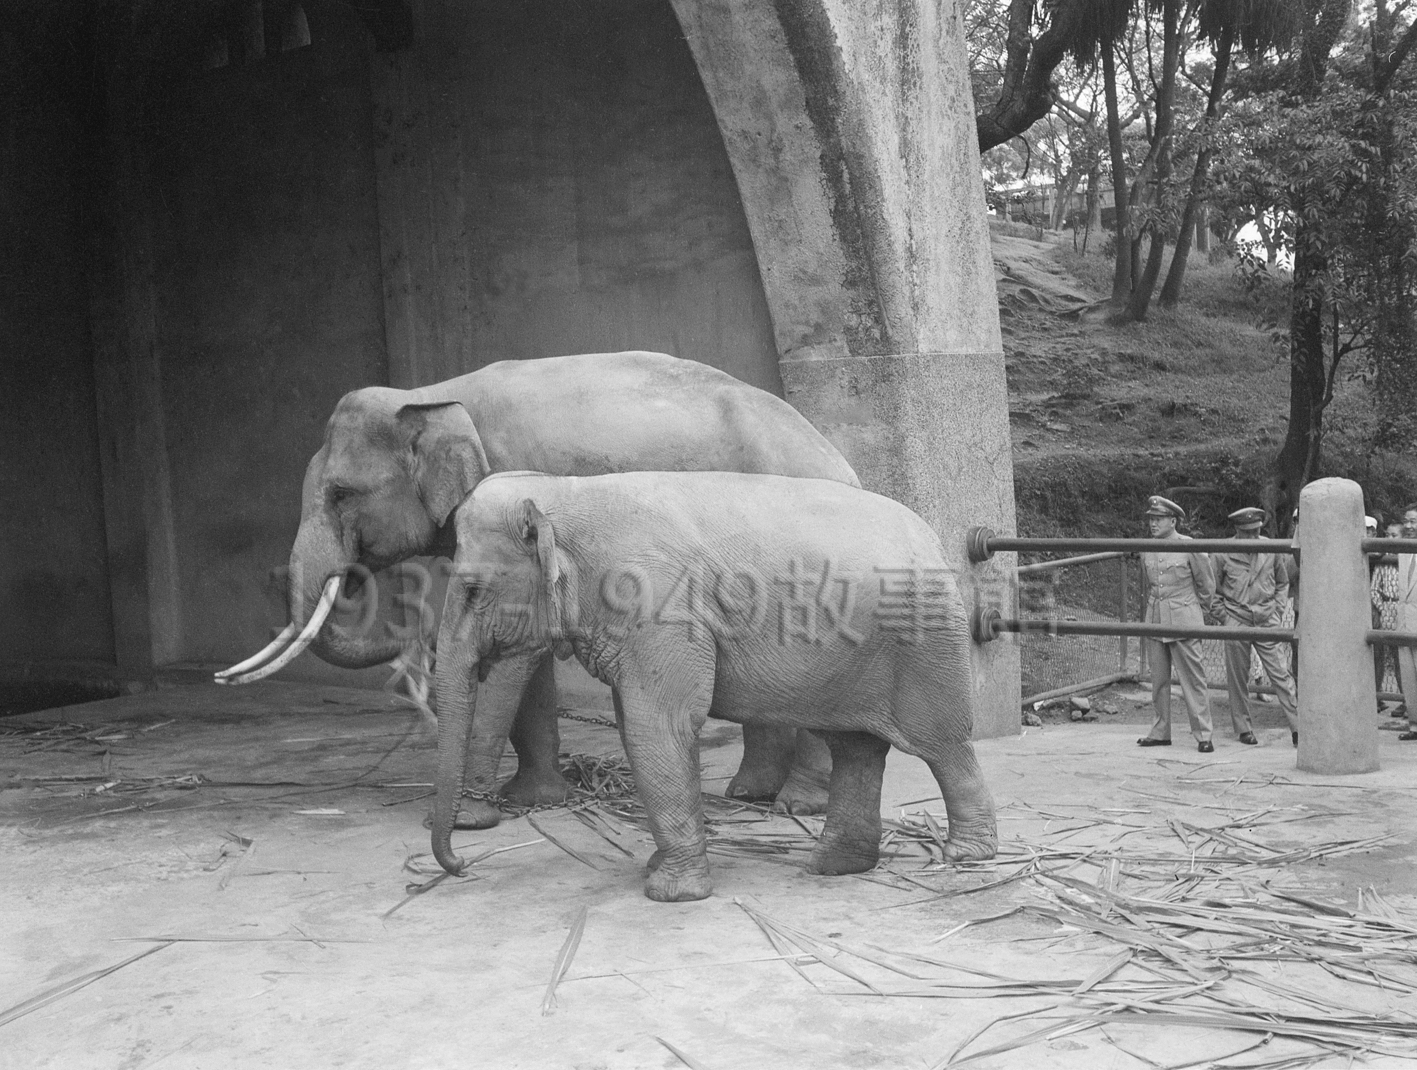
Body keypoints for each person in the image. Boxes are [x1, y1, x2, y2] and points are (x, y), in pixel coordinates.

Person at [1211, 507, 1299, 747]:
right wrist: (1224, 616)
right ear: (1236, 531)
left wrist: (1278, 609)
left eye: (1255, 531)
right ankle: (1243, 728)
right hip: (1236, 616)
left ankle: (1298, 727)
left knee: (1280, 672)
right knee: (1238, 676)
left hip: (1266, 616)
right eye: (1246, 533)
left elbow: (1282, 582)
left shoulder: (1269, 548)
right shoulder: (1223, 552)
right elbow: (1211, 590)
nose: (1251, 537)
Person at [1137, 495, 1217, 753]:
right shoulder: (1147, 547)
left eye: (1158, 519)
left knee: (1193, 679)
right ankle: (1160, 731)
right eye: (1151, 519)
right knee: (1158, 679)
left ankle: (1204, 734)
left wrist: (1196, 611)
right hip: (1156, 617)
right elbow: (1148, 583)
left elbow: (1206, 585)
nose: (1153, 524)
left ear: (1173, 521)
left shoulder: (1189, 546)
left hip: (1184, 616)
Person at [1395, 504, 1417, 742]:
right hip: (1403, 623)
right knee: (1409, 678)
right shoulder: (1399, 549)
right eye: (1407, 521)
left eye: (1414, 521)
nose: (1409, 526)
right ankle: (1414, 725)